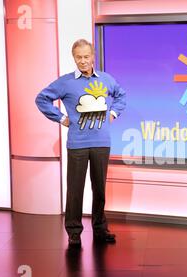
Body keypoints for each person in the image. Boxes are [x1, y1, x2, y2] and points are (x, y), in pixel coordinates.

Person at [35, 39, 126, 247]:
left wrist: (112, 113)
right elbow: (42, 98)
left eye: (86, 57)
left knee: (99, 189)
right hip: (77, 144)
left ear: (93, 56)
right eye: (79, 57)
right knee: (75, 190)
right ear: (73, 58)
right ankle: (74, 232)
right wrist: (61, 118)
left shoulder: (106, 79)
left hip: (101, 142)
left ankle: (100, 228)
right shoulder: (66, 82)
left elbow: (121, 95)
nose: (83, 61)